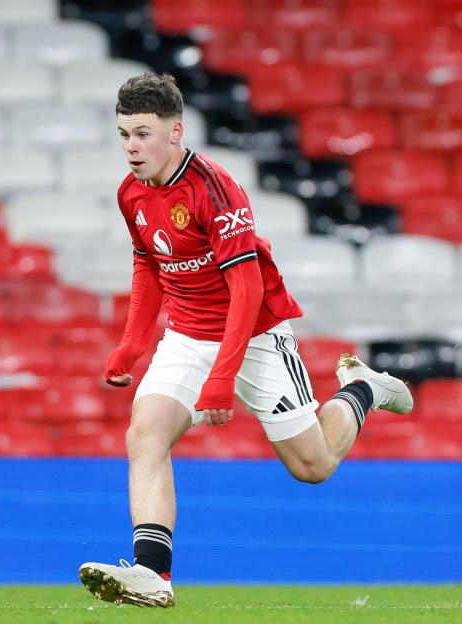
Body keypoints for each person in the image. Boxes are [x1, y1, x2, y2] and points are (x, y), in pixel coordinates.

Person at [77, 73, 413, 608]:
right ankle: (152, 574)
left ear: (175, 132)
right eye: (123, 134)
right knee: (145, 435)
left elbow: (246, 289)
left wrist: (220, 381)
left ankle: (363, 387)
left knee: (313, 467)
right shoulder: (130, 194)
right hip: (187, 335)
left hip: (253, 333)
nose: (131, 147)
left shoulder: (214, 189)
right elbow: (149, 266)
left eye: (142, 133)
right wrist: (131, 345)